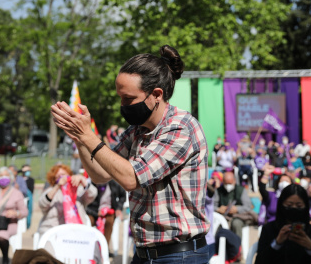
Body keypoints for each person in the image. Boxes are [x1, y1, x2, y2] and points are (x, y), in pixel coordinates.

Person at [51, 45, 210, 262]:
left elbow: (130, 177)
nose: (122, 105)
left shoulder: (181, 127)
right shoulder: (137, 130)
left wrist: (89, 136)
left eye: (128, 99)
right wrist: (79, 139)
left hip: (179, 255)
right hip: (145, 253)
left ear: (156, 95)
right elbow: (101, 175)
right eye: (120, 97)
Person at [255, 184, 311, 264]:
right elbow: (260, 261)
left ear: (306, 206)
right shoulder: (269, 229)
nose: (294, 208)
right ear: (281, 205)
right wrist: (277, 243)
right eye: (289, 205)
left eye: (299, 206)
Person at [37, 164, 97, 235]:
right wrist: (57, 186)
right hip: (53, 231)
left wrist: (82, 180)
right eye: (58, 176)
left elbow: (92, 194)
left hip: (77, 231)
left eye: (63, 174)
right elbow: (42, 204)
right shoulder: (50, 191)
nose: (62, 177)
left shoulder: (78, 191)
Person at [86, 180, 126, 251]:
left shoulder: (114, 184)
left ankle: (104, 248)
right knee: (88, 221)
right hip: (94, 212)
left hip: (109, 211)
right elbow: (86, 206)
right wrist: (97, 213)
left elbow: (123, 195)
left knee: (109, 222)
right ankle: (89, 248)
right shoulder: (92, 185)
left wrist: (118, 208)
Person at [214, 171, 253, 239]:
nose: (228, 186)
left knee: (236, 224)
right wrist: (218, 209)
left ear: (234, 181)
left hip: (238, 216)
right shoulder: (218, 191)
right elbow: (211, 206)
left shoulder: (241, 190)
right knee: (217, 224)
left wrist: (237, 209)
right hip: (223, 216)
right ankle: (219, 246)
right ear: (223, 181)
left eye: (230, 183)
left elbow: (248, 206)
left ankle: (236, 247)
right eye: (226, 183)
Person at [21, 164, 34, 229]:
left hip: (29, 197)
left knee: (29, 211)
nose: (28, 171)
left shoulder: (31, 180)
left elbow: (31, 190)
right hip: (21, 197)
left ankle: (27, 225)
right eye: (26, 170)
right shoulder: (19, 179)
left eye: (29, 170)